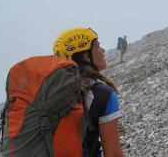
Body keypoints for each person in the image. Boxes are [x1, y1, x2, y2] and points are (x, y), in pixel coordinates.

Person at [52, 27, 124, 157]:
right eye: (97, 46)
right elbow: (113, 154)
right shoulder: (103, 94)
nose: (102, 50)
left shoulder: (52, 92)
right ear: (86, 56)